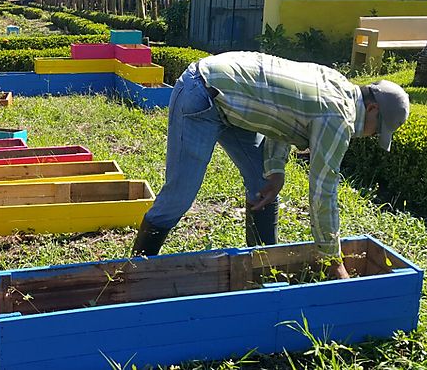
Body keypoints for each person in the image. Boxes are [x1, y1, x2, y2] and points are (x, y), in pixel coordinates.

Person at [131, 51, 410, 279]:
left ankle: (263, 267)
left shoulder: (338, 84)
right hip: (203, 91)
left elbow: (283, 116)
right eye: (376, 131)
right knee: (180, 194)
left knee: (263, 185)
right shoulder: (339, 117)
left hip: (232, 97)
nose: (369, 135)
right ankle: (134, 271)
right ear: (372, 109)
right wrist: (333, 259)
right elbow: (323, 192)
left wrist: (275, 171)